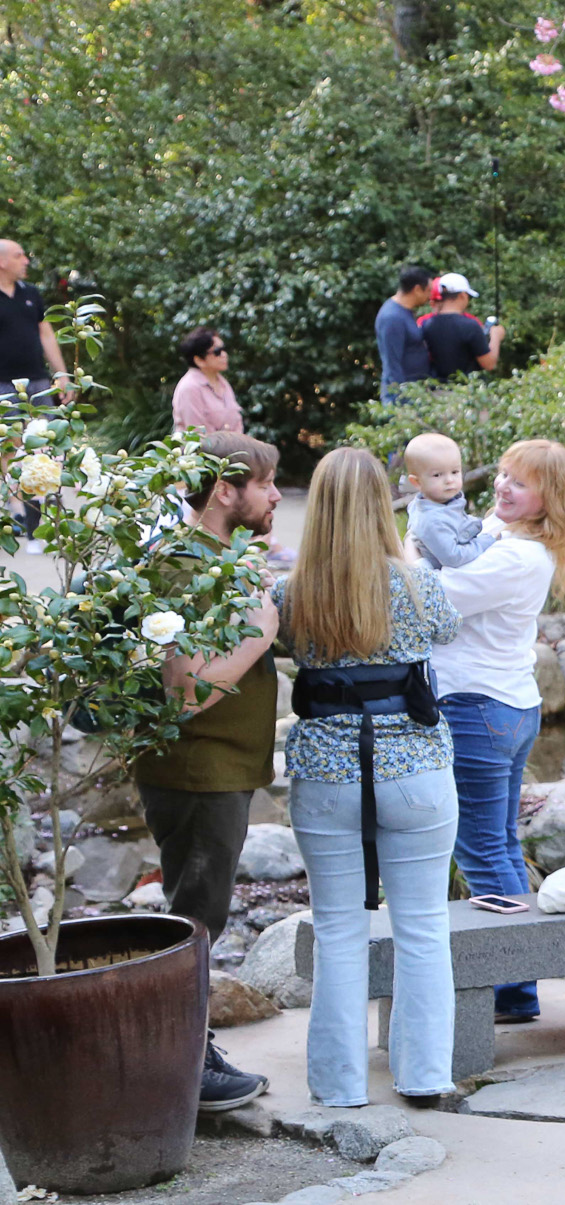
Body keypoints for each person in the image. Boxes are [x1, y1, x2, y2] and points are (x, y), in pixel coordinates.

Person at [277, 447, 461, 1107]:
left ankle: (339, 1083)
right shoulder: (417, 584)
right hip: (412, 765)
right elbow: (447, 628)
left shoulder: (292, 592)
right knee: (421, 924)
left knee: (336, 927)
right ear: (383, 504)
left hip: (326, 769)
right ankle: (424, 1075)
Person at [140, 431, 283, 1114]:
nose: (278, 494)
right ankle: (185, 1069)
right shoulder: (178, 568)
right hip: (197, 772)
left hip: (220, 769)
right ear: (225, 490)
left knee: (202, 914)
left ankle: (190, 1054)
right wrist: (262, 633)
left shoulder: (219, 559)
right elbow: (186, 690)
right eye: (265, 483)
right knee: (195, 918)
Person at [432, 439, 565, 1024]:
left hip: (478, 708)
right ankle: (515, 986)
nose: (501, 486)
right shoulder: (506, 539)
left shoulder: (517, 557)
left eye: (518, 483)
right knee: (497, 843)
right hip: (504, 705)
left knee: (479, 849)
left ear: (550, 500)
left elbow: (429, 600)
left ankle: (513, 989)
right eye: (501, 474)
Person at [0, 238, 73, 548]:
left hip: (38, 382)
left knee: (43, 447)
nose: (26, 260)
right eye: (19, 256)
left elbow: (46, 334)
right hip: (2, 384)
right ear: (2, 261)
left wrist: (61, 374)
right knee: (10, 449)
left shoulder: (31, 294)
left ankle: (42, 514)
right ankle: (17, 510)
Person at [402, 432, 494, 569]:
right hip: (445, 580)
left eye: (455, 472)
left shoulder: (442, 502)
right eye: (437, 475)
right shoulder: (431, 520)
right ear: (416, 482)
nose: (449, 480)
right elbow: (453, 557)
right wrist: (485, 542)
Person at [419, 273, 503, 380]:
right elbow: (489, 364)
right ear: (462, 295)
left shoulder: (426, 325)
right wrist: (496, 336)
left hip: (437, 391)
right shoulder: (471, 326)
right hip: (466, 391)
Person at [375, 266, 435, 402]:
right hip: (402, 399)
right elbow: (392, 364)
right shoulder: (392, 317)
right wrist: (403, 401)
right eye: (429, 291)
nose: (430, 296)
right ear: (417, 289)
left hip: (415, 391)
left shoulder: (405, 312)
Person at [170, 329, 243, 434]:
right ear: (199, 360)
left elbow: (237, 425)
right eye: (217, 352)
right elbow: (198, 435)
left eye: (223, 349)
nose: (224, 355)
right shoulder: (189, 388)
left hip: (234, 448)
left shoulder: (223, 383)